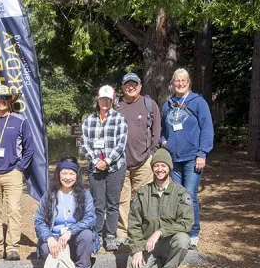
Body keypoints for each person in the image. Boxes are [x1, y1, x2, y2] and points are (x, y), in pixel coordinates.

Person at [0, 85, 35, 262]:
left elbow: (29, 148)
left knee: (13, 211)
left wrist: (19, 168)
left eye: (5, 97)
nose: (1, 100)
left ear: (11, 100)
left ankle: (12, 248)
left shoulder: (20, 120)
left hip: (12, 173)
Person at [160, 68, 214, 250]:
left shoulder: (198, 102)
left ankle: (193, 232)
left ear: (188, 82)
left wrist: (202, 153)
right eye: (177, 80)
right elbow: (162, 130)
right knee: (176, 196)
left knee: (189, 196)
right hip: (173, 158)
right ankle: (178, 231)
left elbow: (207, 129)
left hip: (192, 157)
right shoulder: (167, 104)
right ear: (172, 83)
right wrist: (163, 141)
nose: (180, 83)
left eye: (183, 80)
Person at [127, 149, 194, 268]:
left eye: (163, 166)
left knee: (183, 240)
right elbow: (134, 223)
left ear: (169, 167)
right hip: (147, 245)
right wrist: (137, 250)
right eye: (156, 166)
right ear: (152, 168)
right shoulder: (143, 192)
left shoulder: (181, 193)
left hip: (169, 243)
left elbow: (186, 223)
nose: (160, 169)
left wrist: (160, 232)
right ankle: (157, 263)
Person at [35, 157, 98, 268]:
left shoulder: (85, 194)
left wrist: (70, 231)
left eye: (71, 173)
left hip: (74, 237)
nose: (68, 177)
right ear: (58, 175)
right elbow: (39, 221)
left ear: (77, 176)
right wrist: (49, 237)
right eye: (64, 173)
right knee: (46, 248)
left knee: (87, 235)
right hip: (55, 238)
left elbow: (90, 218)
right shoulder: (49, 195)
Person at [116, 73, 161, 245]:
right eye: (127, 84)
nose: (131, 87)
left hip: (144, 161)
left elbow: (157, 130)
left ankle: (142, 230)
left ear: (140, 86)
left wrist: (152, 153)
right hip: (120, 162)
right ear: (122, 88)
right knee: (122, 198)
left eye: (134, 84)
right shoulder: (117, 106)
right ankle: (123, 232)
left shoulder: (149, 105)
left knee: (144, 198)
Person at [81, 85, 128, 251]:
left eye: (108, 99)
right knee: (98, 203)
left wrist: (107, 161)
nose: (105, 102)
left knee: (113, 203)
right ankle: (98, 234)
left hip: (115, 167)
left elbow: (121, 144)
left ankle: (111, 236)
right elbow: (84, 145)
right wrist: (95, 161)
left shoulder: (119, 119)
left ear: (113, 100)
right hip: (95, 168)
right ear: (97, 99)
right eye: (102, 99)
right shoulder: (89, 120)